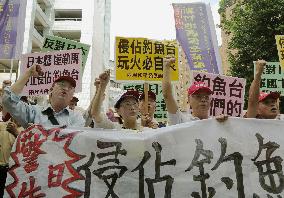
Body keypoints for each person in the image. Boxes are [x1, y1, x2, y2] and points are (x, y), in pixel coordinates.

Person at [2, 64, 85, 128]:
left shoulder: (77, 117)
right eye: (62, 84)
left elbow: (72, 140)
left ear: (72, 96)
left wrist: (38, 131)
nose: (66, 89)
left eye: (70, 88)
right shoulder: (34, 112)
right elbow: (8, 101)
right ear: (51, 90)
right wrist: (28, 73)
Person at [162, 56, 228, 125]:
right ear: (189, 99)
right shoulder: (181, 121)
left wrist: (225, 125)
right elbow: (167, 94)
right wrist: (166, 67)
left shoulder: (216, 122)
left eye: (206, 97)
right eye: (198, 96)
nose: (203, 100)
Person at [0, 119, 23, 197]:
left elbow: (29, 144)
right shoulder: (2, 126)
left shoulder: (29, 128)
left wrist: (16, 132)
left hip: (16, 172)